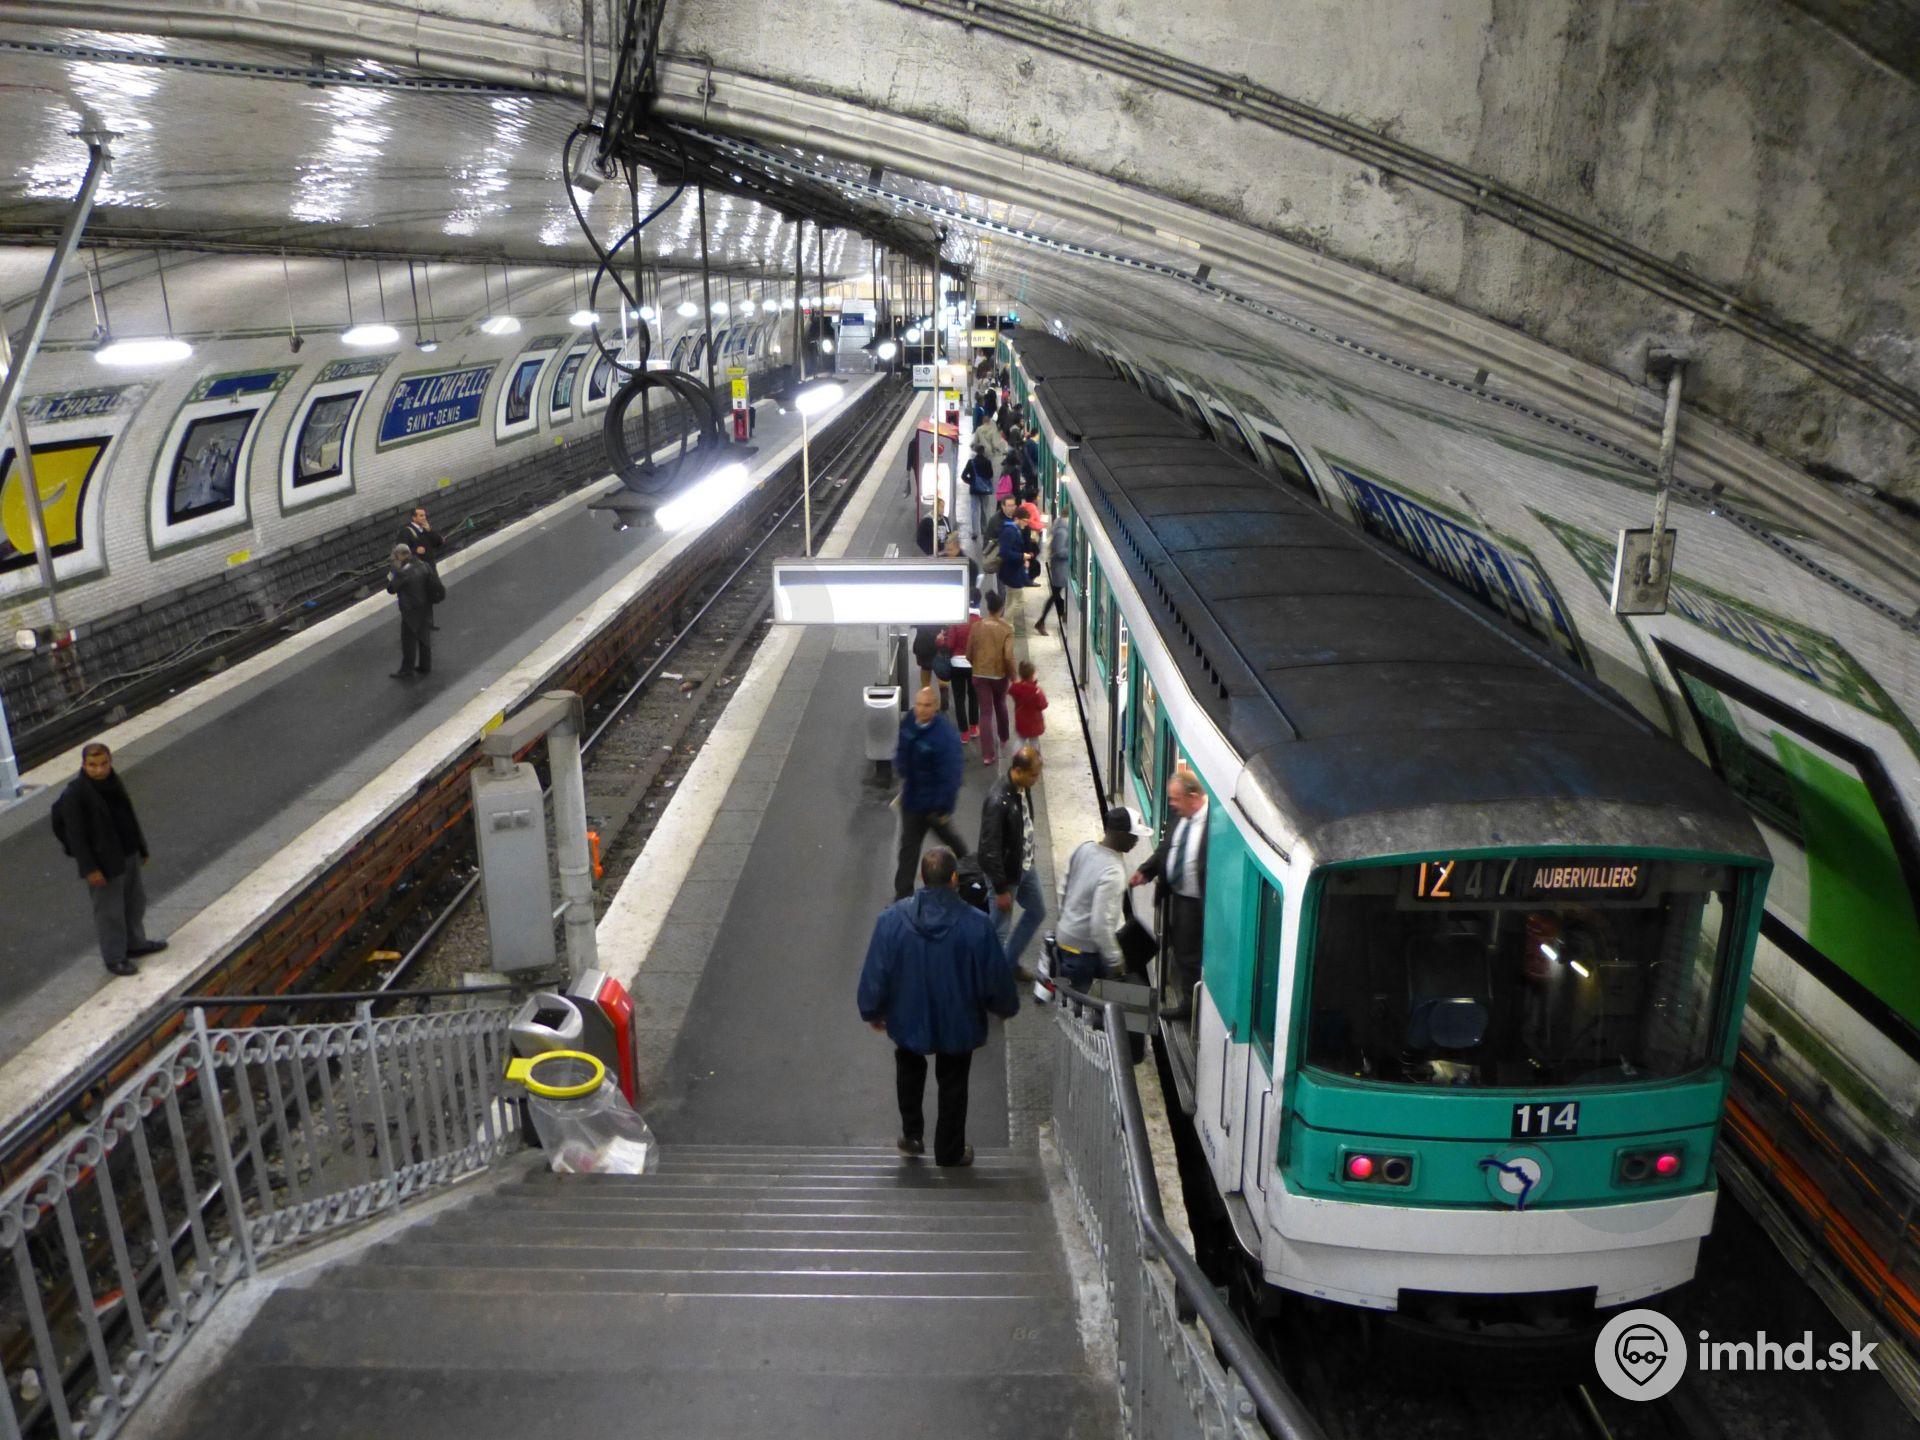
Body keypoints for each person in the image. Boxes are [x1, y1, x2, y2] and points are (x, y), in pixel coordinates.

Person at [858, 846, 1019, 1167]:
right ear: (954, 878)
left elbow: (877, 971)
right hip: (959, 1018)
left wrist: (873, 1010)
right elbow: (994, 977)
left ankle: (911, 1136)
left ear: (922, 877)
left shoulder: (891, 920)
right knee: (954, 1082)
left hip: (907, 1014)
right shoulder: (978, 925)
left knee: (908, 1069)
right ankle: (949, 1151)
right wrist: (1004, 1006)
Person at [50, 743, 167, 977]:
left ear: (110, 762)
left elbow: (128, 816)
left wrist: (141, 847)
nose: (99, 770)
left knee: (134, 902)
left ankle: (135, 943)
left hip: (128, 853)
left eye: (104, 764)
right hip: (104, 863)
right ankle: (115, 957)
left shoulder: (113, 781)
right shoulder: (76, 793)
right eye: (92, 765)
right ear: (84, 765)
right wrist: (89, 868)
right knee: (109, 911)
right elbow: (76, 835)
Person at [1131, 766, 1209, 1019]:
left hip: (1200, 903)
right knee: (1182, 949)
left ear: (1193, 798)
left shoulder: (1215, 824)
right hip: (1178, 897)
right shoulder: (1179, 816)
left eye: (1176, 799)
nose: (1171, 804)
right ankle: (1188, 999)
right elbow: (1166, 848)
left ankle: (1192, 1008)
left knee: (1192, 955)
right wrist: (1146, 871)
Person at [892, 687, 968, 900]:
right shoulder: (909, 722)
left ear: (935, 707)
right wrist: (901, 767)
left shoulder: (944, 735)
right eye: (918, 704)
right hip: (913, 801)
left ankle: (972, 876)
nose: (921, 709)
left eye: (927, 705)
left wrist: (945, 807)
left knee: (954, 844)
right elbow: (901, 749)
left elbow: (952, 773)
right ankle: (902, 896)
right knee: (908, 850)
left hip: (935, 806)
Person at [1054, 806, 1140, 992]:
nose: (1136, 841)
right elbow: (1101, 925)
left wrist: (1067, 922)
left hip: (1064, 938)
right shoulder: (1113, 871)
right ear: (1120, 835)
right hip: (1084, 953)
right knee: (1084, 1003)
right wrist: (1116, 960)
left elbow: (1063, 889)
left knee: (1068, 1000)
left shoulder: (1084, 848)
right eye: (1133, 836)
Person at [979, 746, 1046, 971]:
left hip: (1024, 865)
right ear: (1018, 770)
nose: (1036, 780)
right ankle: (990, 979)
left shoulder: (1022, 787)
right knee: (999, 930)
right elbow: (989, 848)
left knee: (1037, 910)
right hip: (1006, 874)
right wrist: (1000, 889)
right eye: (1033, 775)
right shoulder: (998, 800)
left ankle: (1008, 962)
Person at [965, 589, 1015, 765]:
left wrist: (976, 665)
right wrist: (1013, 675)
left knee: (985, 712)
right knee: (1000, 704)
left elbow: (969, 652)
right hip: (999, 674)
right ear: (1001, 609)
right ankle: (1004, 736)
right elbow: (1008, 656)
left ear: (988, 608)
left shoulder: (977, 626)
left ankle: (988, 755)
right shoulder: (1007, 629)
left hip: (980, 674)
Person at [385, 542, 439, 678]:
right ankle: (425, 665)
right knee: (424, 637)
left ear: (399, 555)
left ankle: (407, 669)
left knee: (408, 640)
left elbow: (391, 589)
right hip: (425, 606)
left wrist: (393, 573)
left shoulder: (403, 572)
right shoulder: (423, 564)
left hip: (410, 609)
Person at [398, 505, 446, 630]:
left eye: (424, 515)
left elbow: (439, 542)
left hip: (429, 568)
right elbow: (401, 552)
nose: (424, 518)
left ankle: (428, 623)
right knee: (418, 598)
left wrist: (430, 531)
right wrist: (415, 551)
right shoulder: (406, 532)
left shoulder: (426, 530)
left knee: (431, 594)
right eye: (421, 516)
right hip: (416, 571)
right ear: (414, 518)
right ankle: (417, 625)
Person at [942, 603, 978, 741]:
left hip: (956, 664)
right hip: (974, 664)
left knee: (959, 698)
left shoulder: (957, 621)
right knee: (973, 696)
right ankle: (974, 727)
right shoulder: (980, 622)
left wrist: (942, 642)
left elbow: (950, 644)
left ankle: (964, 732)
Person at [1036, 515, 1070, 637]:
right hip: (1060, 569)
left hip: (1060, 568)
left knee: (1056, 594)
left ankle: (1061, 614)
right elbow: (1060, 552)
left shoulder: (1060, 527)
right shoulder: (1062, 532)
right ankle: (1041, 622)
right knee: (1055, 595)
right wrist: (1073, 551)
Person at [962, 443, 997, 545]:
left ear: (976, 451)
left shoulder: (971, 462)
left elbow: (963, 476)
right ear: (983, 451)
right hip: (985, 490)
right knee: (984, 510)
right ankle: (984, 530)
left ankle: (975, 532)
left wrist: (971, 482)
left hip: (974, 490)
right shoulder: (987, 462)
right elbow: (990, 475)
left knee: (974, 511)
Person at [1009, 660, 1048, 747]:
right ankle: (1034, 755)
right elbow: (1044, 705)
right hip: (1035, 722)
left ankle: (1016, 753)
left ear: (1020, 674)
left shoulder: (1016, 687)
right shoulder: (1036, 691)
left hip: (1021, 721)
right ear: (1032, 675)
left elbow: (1010, 690)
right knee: (1034, 741)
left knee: (1020, 740)